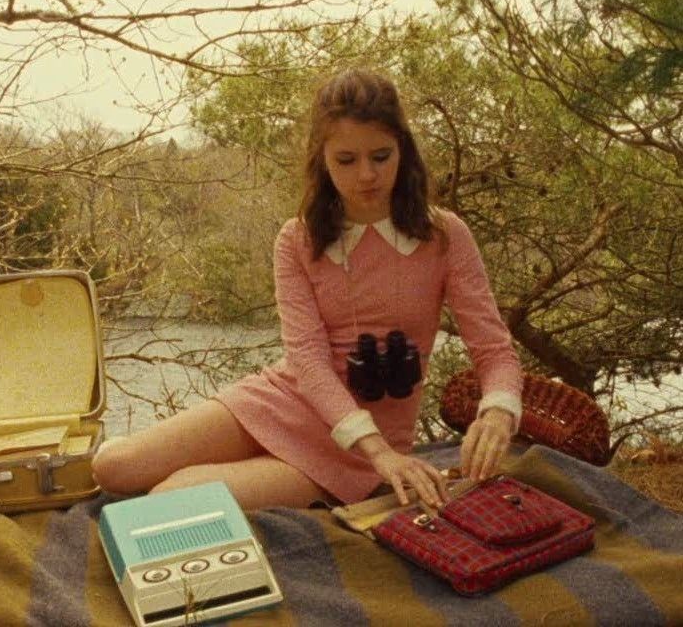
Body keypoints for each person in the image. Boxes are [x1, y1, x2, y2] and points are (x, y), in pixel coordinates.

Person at [93, 68, 523, 511]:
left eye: (381, 156)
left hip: (359, 450)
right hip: (285, 401)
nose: (367, 175)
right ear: (322, 158)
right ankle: (248, 459)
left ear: (403, 151)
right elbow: (308, 361)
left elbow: (494, 349)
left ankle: (258, 473)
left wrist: (497, 413)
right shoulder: (296, 240)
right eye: (346, 160)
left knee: (170, 496)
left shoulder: (445, 235)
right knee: (114, 468)